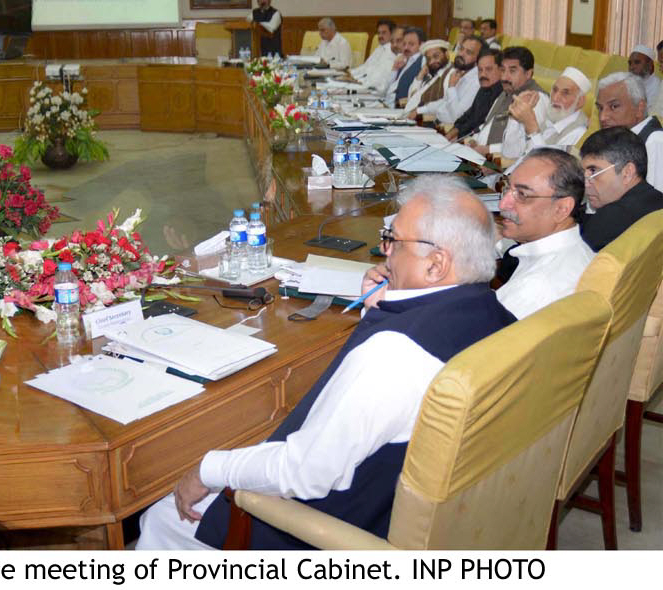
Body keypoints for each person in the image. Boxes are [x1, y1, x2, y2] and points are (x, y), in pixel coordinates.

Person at [136, 175, 514, 550]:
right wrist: (379, 310)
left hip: (341, 525)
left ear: (435, 265)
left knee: (162, 516)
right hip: (428, 507)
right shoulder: (496, 316)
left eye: (394, 242)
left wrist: (208, 468)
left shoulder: (393, 354)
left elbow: (307, 473)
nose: (385, 252)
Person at [494, 148, 594, 319]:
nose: (503, 204)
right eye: (507, 189)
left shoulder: (534, 287)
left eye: (522, 195)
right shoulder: (579, 252)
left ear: (562, 209)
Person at [579, 127, 663, 251]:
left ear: (627, 172)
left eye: (593, 171)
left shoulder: (606, 223)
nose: (586, 184)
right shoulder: (657, 199)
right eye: (583, 173)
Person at [466, 46, 548, 158]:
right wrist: (474, 140)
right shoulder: (506, 92)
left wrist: (488, 149)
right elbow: (488, 124)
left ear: (528, 74)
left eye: (512, 71)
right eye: (503, 70)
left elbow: (527, 146)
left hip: (500, 163)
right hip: (479, 155)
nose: (504, 77)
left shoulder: (535, 99)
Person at [594, 72, 663, 188]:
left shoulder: (655, 141)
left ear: (639, 108)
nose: (602, 117)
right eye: (600, 108)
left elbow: (656, 201)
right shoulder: (617, 137)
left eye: (614, 106)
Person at [503, 67, 591, 158]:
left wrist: (532, 127)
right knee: (488, 162)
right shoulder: (550, 117)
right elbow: (510, 153)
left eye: (565, 93)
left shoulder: (578, 133)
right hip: (510, 168)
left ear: (580, 102)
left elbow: (545, 166)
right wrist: (516, 116)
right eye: (555, 90)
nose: (555, 98)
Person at [414, 36, 482, 125]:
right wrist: (418, 111)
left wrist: (451, 87)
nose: (461, 54)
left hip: (447, 131)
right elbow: (444, 102)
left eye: (468, 52)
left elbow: (457, 117)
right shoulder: (461, 73)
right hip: (436, 124)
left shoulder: (476, 82)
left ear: (478, 59)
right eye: (461, 49)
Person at [450, 48, 505, 140]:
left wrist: (456, 136)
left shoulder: (503, 94)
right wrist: (451, 133)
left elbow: (478, 124)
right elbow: (469, 115)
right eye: (480, 70)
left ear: (501, 70)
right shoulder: (484, 88)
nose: (483, 74)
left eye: (488, 69)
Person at [404, 40, 452, 111]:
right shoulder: (430, 76)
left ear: (447, 54)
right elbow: (411, 98)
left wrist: (420, 111)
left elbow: (446, 103)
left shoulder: (450, 74)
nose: (432, 61)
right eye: (428, 59)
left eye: (436, 56)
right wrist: (420, 76)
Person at [351, 20, 398, 90]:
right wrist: (349, 74)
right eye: (379, 33)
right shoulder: (379, 48)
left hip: (370, 88)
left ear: (392, 34)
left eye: (384, 33)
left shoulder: (393, 52)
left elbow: (379, 79)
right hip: (361, 83)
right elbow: (365, 67)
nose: (380, 36)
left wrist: (356, 80)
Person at [384, 27, 426, 107]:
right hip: (387, 105)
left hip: (402, 109)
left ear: (422, 45)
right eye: (404, 44)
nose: (406, 48)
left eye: (411, 44)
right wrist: (395, 69)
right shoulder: (403, 60)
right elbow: (387, 88)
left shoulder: (423, 61)